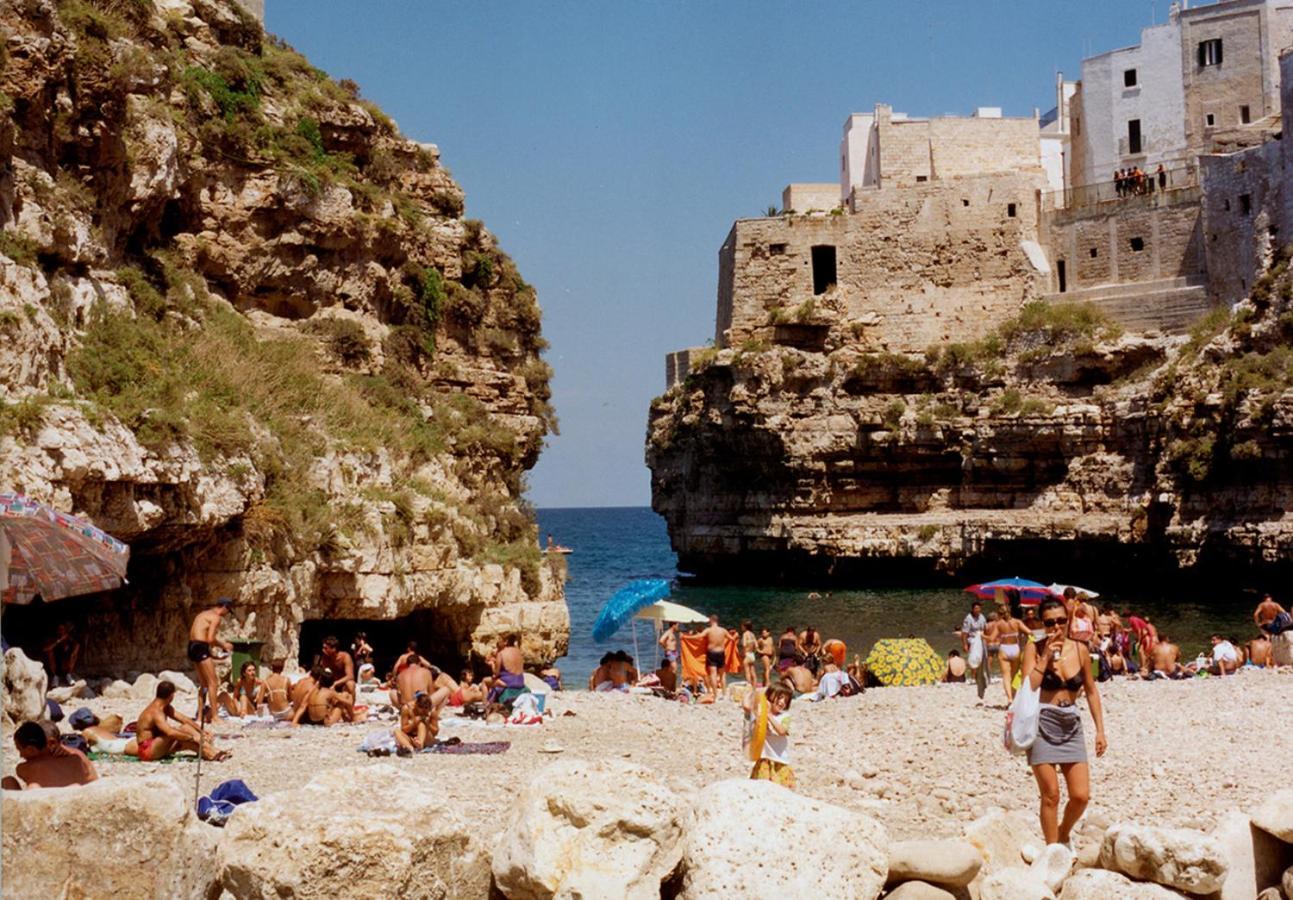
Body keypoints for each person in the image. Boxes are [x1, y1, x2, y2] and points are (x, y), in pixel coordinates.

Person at [1019, 598, 1107, 847]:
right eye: (1049, 623)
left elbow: (1090, 690)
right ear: (1041, 623)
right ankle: (1051, 851)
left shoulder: (1080, 648)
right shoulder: (1033, 649)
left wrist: (1100, 730)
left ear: (1068, 621)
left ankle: (1063, 832)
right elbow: (1028, 687)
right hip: (1043, 723)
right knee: (1051, 795)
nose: (1056, 627)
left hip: (1072, 723)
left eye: (1060, 621)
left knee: (1081, 795)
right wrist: (1045, 656)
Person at [137, 681, 231, 760]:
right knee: (181, 731)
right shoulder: (155, 712)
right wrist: (193, 737)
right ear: (171, 695)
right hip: (147, 750)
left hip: (159, 744)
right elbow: (170, 733)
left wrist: (201, 731)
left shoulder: (165, 707)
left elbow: (184, 719)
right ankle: (213, 752)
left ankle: (213, 754)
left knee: (186, 740)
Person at [2, 721, 98, 789]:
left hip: (48, 812)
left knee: (9, 782)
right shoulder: (76, 758)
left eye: (20, 750)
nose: (20, 755)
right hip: (79, 801)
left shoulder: (23, 768)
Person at [188, 597, 235, 724]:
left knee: (203, 684)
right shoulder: (216, 617)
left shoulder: (203, 614)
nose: (226, 615)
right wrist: (224, 645)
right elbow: (210, 639)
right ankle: (215, 716)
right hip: (201, 647)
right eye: (228, 611)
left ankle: (200, 717)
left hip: (193, 646)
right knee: (213, 683)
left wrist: (214, 656)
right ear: (225, 607)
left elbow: (200, 637)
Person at [743, 683, 794, 788]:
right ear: (770, 697)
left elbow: (782, 731)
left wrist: (769, 715)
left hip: (780, 760)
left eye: (785, 700)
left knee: (781, 788)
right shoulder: (760, 714)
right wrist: (755, 696)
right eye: (779, 698)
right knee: (762, 786)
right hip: (764, 757)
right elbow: (747, 710)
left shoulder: (785, 717)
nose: (782, 702)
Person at [990, 593, 1030, 701]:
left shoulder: (998, 624)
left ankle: (1009, 699)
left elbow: (991, 639)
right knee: (1014, 674)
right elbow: (1029, 633)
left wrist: (981, 635)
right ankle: (1014, 695)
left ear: (1000, 613)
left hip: (1004, 649)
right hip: (1015, 648)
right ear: (1010, 612)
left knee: (1006, 676)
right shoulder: (1017, 622)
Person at [700, 614, 734, 699]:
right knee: (723, 674)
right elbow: (732, 639)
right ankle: (724, 694)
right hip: (721, 653)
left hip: (711, 653)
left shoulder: (708, 630)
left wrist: (687, 637)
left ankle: (715, 695)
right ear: (717, 621)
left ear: (711, 621)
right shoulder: (723, 630)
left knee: (713, 674)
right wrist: (735, 634)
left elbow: (699, 636)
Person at [961, 601, 989, 697]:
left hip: (981, 639)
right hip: (972, 640)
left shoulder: (982, 617)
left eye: (979, 608)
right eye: (976, 608)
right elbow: (964, 633)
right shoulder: (968, 618)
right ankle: (973, 677)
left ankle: (981, 676)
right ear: (972, 609)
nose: (977, 610)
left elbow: (985, 629)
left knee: (982, 658)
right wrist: (965, 644)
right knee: (973, 658)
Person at [42, 622, 82, 688]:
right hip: (55, 664)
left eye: (63, 629)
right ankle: (55, 676)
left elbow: (77, 646)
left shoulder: (69, 639)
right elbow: (45, 649)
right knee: (50, 653)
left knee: (74, 654)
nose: (61, 631)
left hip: (65, 664)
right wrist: (59, 641)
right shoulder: (53, 639)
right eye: (59, 629)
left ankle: (68, 674)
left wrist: (69, 639)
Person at [740, 621, 758, 686]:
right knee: (753, 672)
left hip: (747, 654)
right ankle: (754, 687)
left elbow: (744, 645)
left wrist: (744, 653)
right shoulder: (752, 634)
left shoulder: (745, 634)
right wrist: (754, 652)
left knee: (747, 672)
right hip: (752, 654)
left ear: (745, 627)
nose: (741, 627)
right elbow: (756, 646)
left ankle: (749, 686)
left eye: (742, 626)